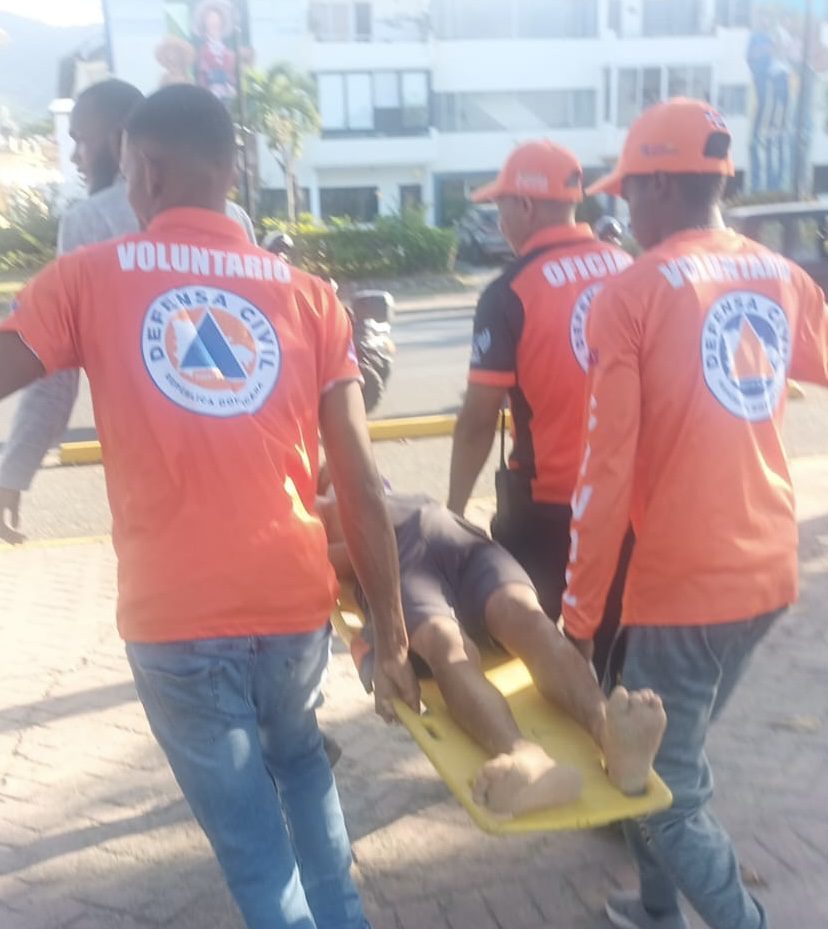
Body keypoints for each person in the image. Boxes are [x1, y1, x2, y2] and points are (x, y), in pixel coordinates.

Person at [0, 84, 419, 929]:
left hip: (177, 620)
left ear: (144, 170)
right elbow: (363, 484)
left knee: (259, 859)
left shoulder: (86, 277)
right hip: (294, 606)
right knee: (302, 772)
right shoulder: (309, 295)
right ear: (231, 174)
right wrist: (394, 634)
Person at [562, 98, 828, 929]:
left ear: (660, 188)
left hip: (684, 587)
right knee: (649, 753)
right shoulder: (779, 276)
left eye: (628, 193)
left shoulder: (632, 294)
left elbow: (604, 474)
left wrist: (576, 614)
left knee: (661, 784)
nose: (623, 210)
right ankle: (653, 908)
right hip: (767, 574)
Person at [0, 78, 256, 546]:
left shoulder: (88, 222)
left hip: (154, 491)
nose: (76, 154)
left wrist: (13, 472)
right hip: (247, 477)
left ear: (125, 141)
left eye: (81, 138)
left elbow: (52, 372)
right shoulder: (236, 220)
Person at [318, 490, 666, 817]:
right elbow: (329, 559)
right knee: (451, 646)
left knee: (528, 623)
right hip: (401, 554)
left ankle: (606, 730)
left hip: (449, 532)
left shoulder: (331, 477)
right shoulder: (313, 502)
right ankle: (528, 754)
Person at [448, 140, 633, 652]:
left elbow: (479, 421)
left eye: (502, 205)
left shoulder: (509, 293)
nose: (499, 218)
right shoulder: (629, 270)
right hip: (638, 511)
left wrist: (455, 516)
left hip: (551, 519)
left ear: (525, 206)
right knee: (619, 654)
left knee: (495, 633)